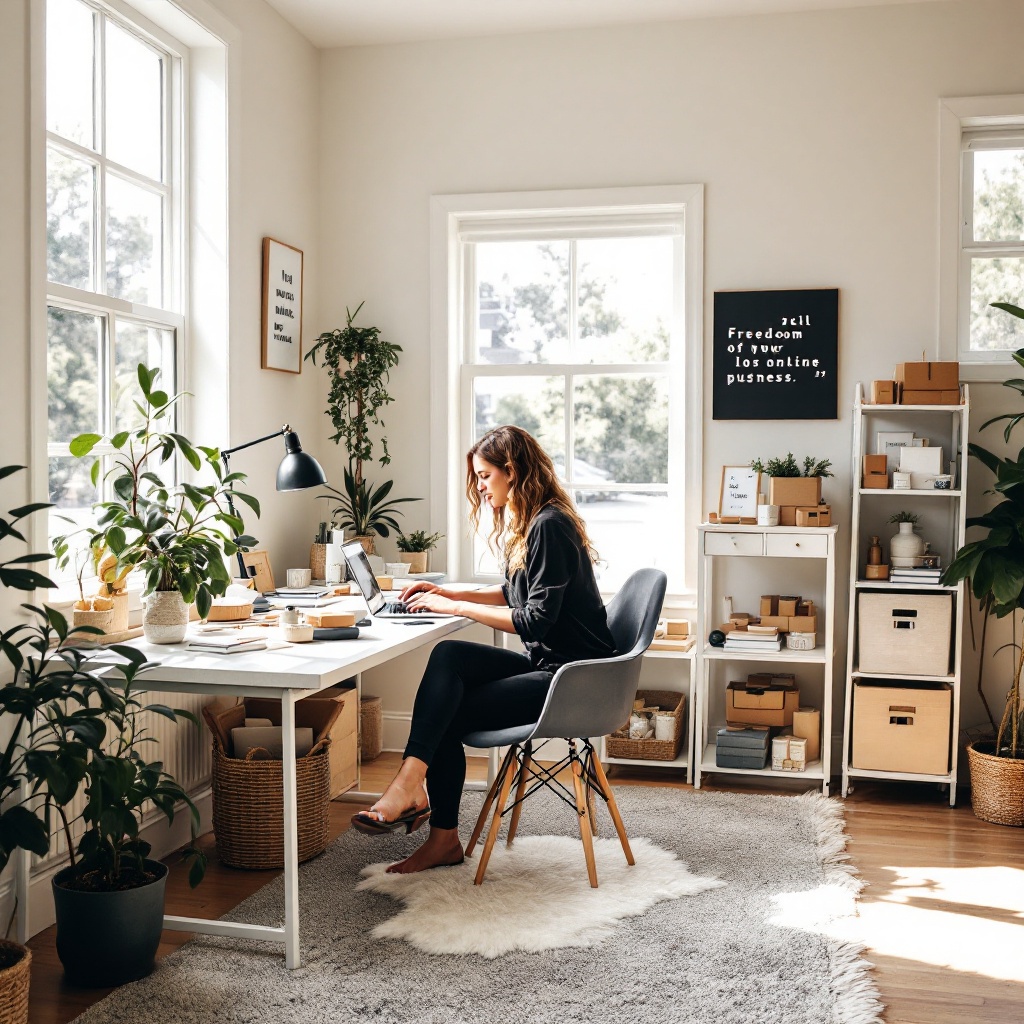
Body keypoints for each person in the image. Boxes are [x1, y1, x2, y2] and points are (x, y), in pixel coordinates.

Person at [351, 425, 616, 873]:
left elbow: (533, 619)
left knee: (445, 712)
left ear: (512, 471)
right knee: (449, 657)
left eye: (484, 475)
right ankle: (415, 794)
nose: (478, 485)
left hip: (573, 680)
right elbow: (516, 592)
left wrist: (454, 606)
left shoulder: (550, 526)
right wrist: (451, 594)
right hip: (550, 665)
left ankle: (427, 816)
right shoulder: (537, 521)